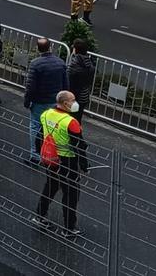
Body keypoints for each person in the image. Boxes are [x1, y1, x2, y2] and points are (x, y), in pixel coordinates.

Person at [33, 90, 88, 235]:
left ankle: (40, 215)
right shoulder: (71, 122)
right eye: (72, 100)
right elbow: (79, 146)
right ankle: (69, 227)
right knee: (71, 194)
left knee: (50, 187)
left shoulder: (46, 114)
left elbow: (39, 136)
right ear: (65, 103)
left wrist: (40, 153)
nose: (75, 102)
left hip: (50, 158)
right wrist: (84, 165)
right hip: (67, 161)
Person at [24, 38, 68, 162]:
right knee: (53, 128)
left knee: (35, 126)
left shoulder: (35, 64)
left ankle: (35, 155)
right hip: (55, 102)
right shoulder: (60, 63)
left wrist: (27, 101)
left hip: (39, 102)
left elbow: (30, 87)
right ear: (50, 47)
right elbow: (66, 84)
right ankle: (54, 154)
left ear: (38, 49)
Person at [66, 39, 96, 122]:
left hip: (72, 98)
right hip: (84, 97)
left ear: (75, 50)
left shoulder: (74, 66)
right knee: (77, 121)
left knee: (68, 121)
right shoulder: (90, 65)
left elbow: (69, 83)